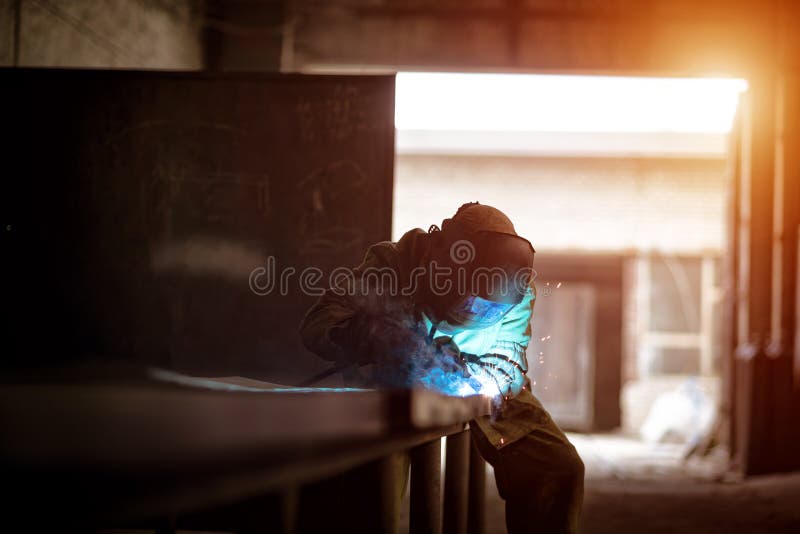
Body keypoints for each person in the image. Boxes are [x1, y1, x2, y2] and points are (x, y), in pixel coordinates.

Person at [300, 202, 584, 534]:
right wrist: (372, 335)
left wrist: (472, 378)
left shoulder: (518, 292)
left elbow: (508, 361)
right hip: (391, 384)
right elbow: (319, 323)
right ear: (443, 264)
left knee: (557, 467)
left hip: (478, 383)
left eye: (491, 307)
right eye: (471, 298)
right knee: (374, 487)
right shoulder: (394, 264)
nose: (477, 312)